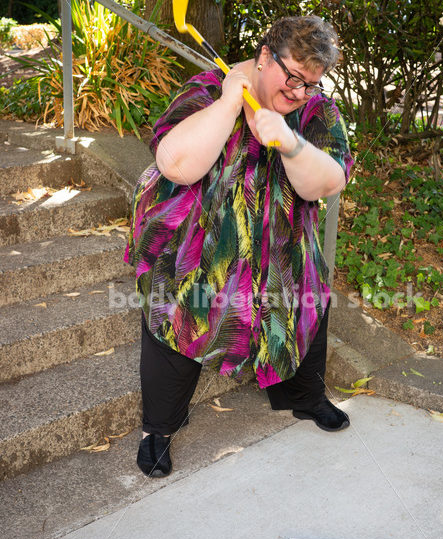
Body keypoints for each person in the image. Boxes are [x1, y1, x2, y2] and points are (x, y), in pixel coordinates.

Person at [124, 15, 354, 477]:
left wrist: (289, 142)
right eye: (292, 77)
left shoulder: (315, 112)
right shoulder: (209, 88)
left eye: (311, 83)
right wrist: (230, 105)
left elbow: (328, 181)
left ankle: (305, 397)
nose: (298, 92)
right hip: (198, 243)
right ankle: (159, 429)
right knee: (179, 316)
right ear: (265, 55)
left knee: (304, 304)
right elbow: (175, 164)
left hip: (283, 242)